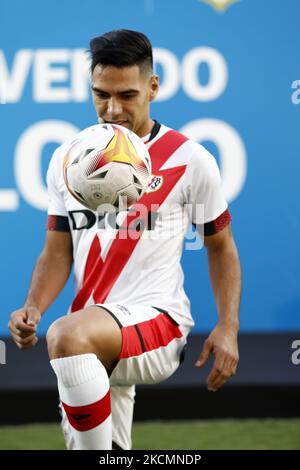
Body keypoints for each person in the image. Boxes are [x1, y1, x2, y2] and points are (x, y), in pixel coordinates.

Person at [8, 29, 241, 450]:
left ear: (153, 87)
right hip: (91, 328)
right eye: (101, 94)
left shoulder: (190, 159)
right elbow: (57, 250)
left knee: (66, 337)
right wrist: (33, 307)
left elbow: (220, 248)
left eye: (127, 95)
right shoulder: (69, 158)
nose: (112, 109)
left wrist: (228, 326)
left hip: (158, 324)